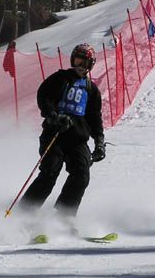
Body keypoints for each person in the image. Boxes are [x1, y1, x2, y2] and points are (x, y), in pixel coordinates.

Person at [20, 43, 106, 219]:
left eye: (84, 61)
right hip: (55, 134)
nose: (80, 65)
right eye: (77, 60)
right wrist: (53, 115)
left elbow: (95, 118)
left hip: (77, 139)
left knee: (81, 174)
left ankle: (63, 217)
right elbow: (43, 96)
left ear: (91, 64)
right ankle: (24, 215)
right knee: (50, 172)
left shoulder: (91, 89)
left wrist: (99, 141)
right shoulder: (61, 78)